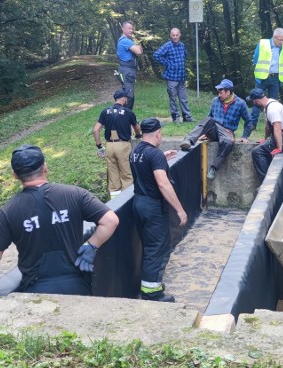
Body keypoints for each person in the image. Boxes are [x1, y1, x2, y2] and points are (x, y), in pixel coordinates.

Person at [0, 145, 119, 303]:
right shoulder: (75, 194)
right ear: (45, 167)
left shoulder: (8, 211)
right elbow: (110, 220)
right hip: (78, 286)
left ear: (15, 175)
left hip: (36, 291)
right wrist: (91, 246)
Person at [130, 118, 188, 302]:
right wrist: (180, 210)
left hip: (138, 203)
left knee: (149, 247)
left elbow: (145, 168)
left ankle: (150, 285)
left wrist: (162, 158)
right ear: (158, 133)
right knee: (158, 249)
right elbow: (162, 184)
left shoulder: (136, 151)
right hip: (152, 207)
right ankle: (152, 293)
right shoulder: (154, 155)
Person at [178, 79, 253, 180]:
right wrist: (204, 132)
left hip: (227, 132)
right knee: (209, 119)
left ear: (228, 92)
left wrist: (244, 136)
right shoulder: (215, 101)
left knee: (228, 143)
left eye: (221, 92)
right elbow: (209, 118)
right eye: (218, 92)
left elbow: (249, 122)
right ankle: (188, 140)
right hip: (214, 129)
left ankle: (213, 168)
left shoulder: (241, 103)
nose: (219, 94)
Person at [93, 89, 142, 198]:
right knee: (127, 175)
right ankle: (127, 201)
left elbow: (96, 130)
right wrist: (138, 135)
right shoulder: (128, 112)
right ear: (124, 99)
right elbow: (137, 129)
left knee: (113, 177)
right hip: (123, 145)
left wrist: (99, 146)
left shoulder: (105, 111)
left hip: (109, 146)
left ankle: (115, 204)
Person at [248, 89, 283, 179]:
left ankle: (265, 181)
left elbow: (277, 128)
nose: (254, 104)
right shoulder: (268, 105)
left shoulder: (272, 109)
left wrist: (279, 148)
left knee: (257, 152)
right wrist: (265, 139)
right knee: (264, 149)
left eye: (253, 101)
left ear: (256, 100)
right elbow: (268, 126)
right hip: (282, 136)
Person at [250, 28, 283, 128]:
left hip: (276, 78)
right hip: (262, 78)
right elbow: (255, 59)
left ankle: (271, 125)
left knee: (273, 104)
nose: (281, 42)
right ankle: (252, 124)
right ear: (274, 37)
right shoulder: (263, 44)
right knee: (256, 101)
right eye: (279, 39)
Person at [153, 27, 193, 123]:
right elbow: (156, 55)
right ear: (170, 36)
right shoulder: (167, 45)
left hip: (181, 77)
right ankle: (176, 118)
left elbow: (185, 55)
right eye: (173, 35)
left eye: (177, 35)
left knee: (183, 99)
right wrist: (167, 63)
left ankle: (187, 117)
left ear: (180, 35)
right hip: (171, 77)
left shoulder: (182, 45)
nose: (175, 37)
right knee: (173, 99)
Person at [117, 21, 143, 111]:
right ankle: (126, 119)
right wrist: (138, 47)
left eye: (132, 28)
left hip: (126, 71)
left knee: (126, 95)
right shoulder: (125, 41)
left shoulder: (126, 40)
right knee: (129, 97)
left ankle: (123, 118)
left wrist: (136, 47)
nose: (131, 30)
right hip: (126, 71)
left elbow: (137, 51)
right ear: (123, 29)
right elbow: (139, 52)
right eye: (129, 28)